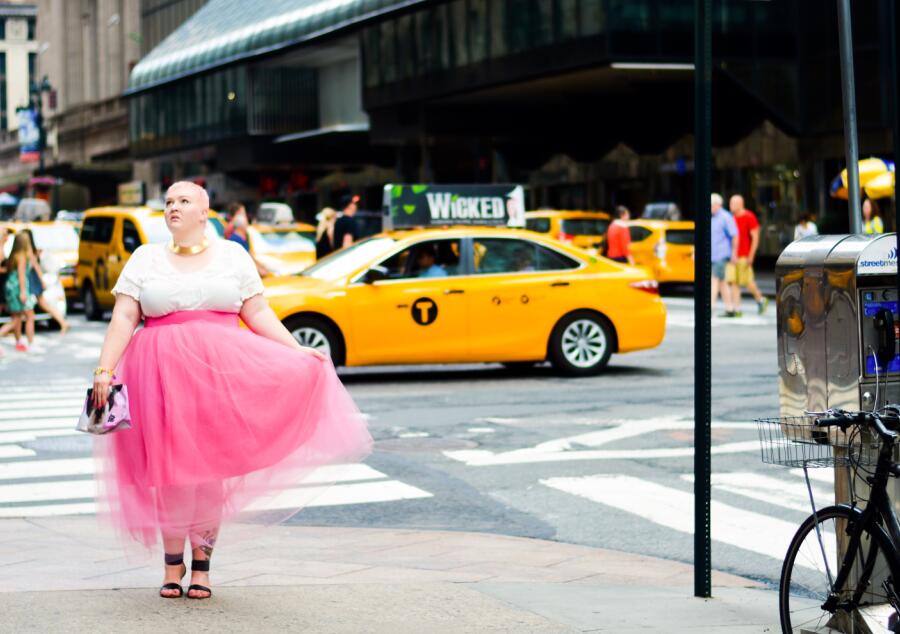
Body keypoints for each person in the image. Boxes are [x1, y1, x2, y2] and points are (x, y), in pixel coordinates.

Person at [91, 182, 372, 600]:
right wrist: (104, 368)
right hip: (158, 376)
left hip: (220, 376)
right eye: (169, 202)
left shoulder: (232, 255)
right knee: (168, 473)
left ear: (205, 213)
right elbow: (124, 316)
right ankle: (172, 566)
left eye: (184, 201)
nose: (174, 208)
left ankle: (201, 567)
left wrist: (297, 351)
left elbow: (257, 311)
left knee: (208, 474)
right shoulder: (145, 258)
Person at [20, 229, 70, 333]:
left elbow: (36, 267)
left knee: (42, 305)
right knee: (40, 305)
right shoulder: (32, 250)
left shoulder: (29, 251)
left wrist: (42, 281)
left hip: (33, 280)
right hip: (32, 280)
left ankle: (63, 322)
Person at [727, 195, 768, 315]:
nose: (730, 206)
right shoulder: (730, 218)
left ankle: (760, 299)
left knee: (747, 281)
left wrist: (751, 255)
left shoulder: (749, 217)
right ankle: (737, 308)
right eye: (730, 203)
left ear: (740, 204)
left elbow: (755, 238)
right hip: (732, 255)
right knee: (733, 281)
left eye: (733, 204)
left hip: (744, 254)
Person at [2, 232, 36, 351]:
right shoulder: (22, 256)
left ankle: (19, 342)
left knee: (16, 317)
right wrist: (22, 292)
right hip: (18, 289)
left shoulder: (14, 255)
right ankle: (31, 344)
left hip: (10, 288)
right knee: (29, 316)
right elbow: (21, 275)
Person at [710, 193, 739, 318]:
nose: (710, 207)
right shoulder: (711, 217)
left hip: (721, 254)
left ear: (718, 204)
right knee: (722, 282)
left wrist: (734, 253)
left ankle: (710, 307)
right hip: (713, 254)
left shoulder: (725, 217)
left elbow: (734, 235)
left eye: (711, 205)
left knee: (714, 280)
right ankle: (730, 308)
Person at [225, 202, 269, 277]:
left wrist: (259, 264)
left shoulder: (237, 228)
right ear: (237, 213)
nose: (245, 216)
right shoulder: (233, 229)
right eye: (243, 213)